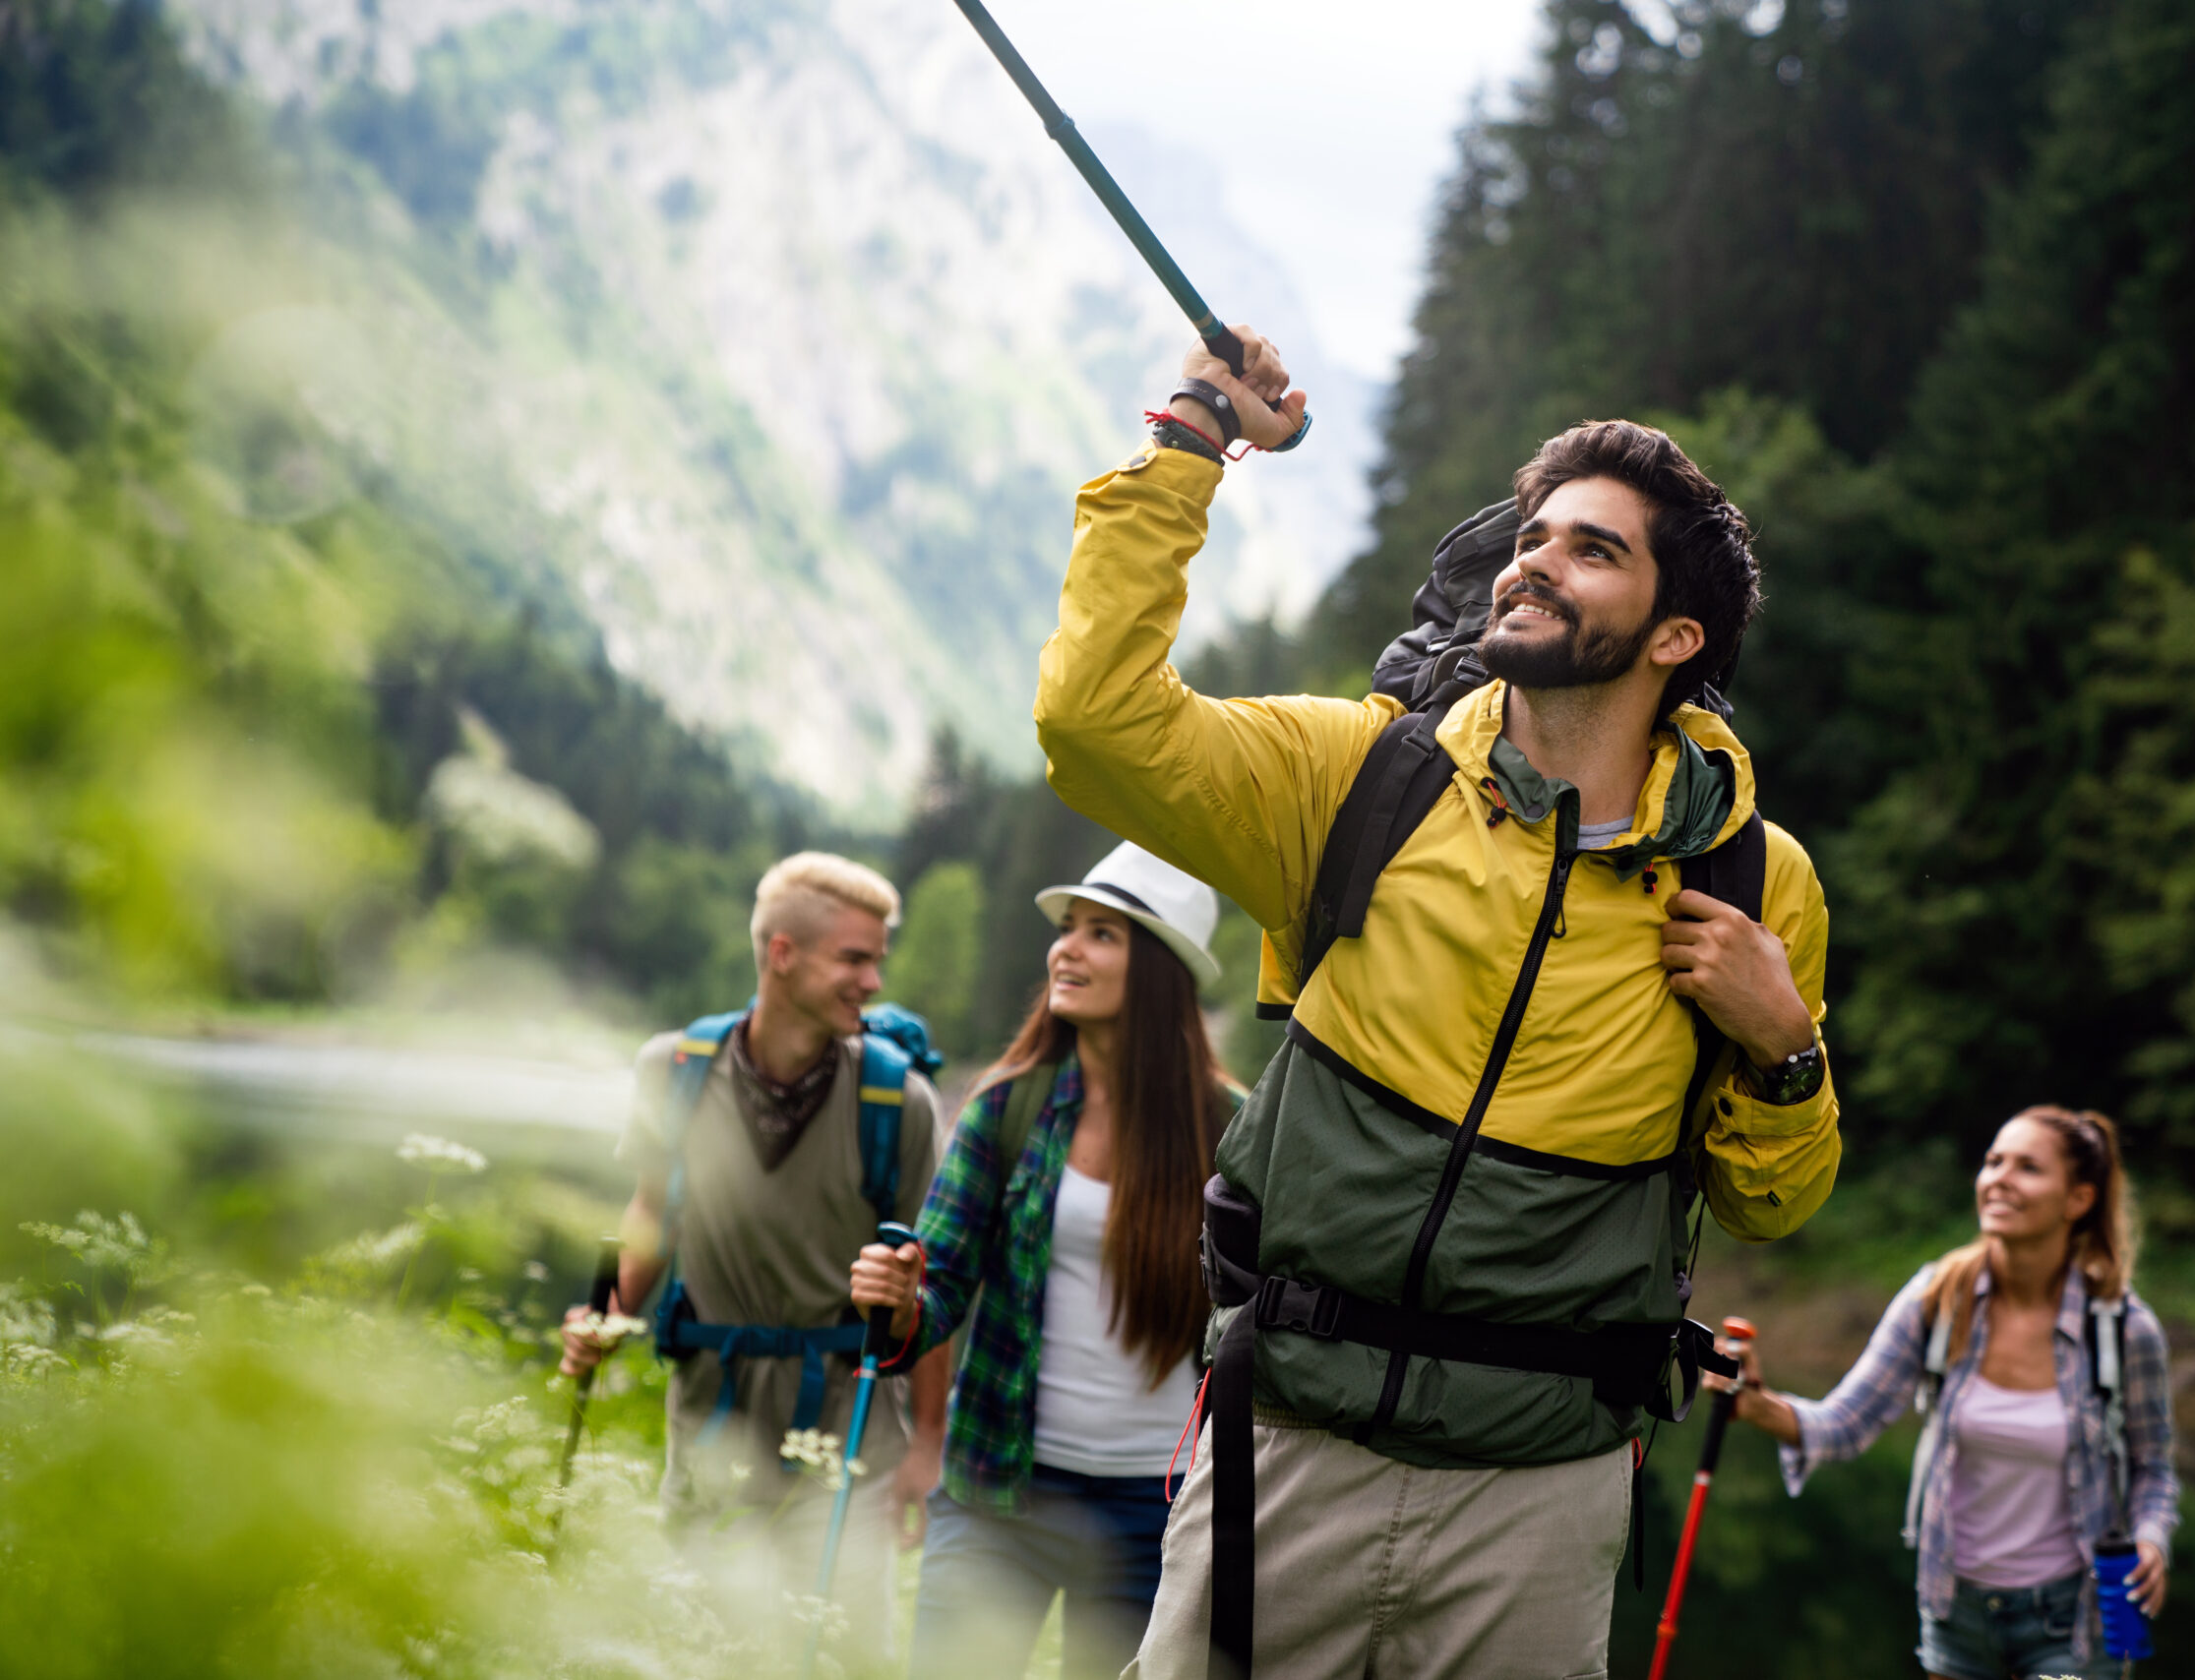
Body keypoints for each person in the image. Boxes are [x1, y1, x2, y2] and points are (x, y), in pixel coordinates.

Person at [1022, 329, 1844, 1677]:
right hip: (1287, 1445)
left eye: (1594, 549)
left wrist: (1785, 1050)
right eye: (1537, 533)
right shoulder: (1358, 777)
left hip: (1542, 1492)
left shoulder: (1758, 882)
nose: (1534, 558)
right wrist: (1190, 440)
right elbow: (1094, 724)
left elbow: (1773, 1201)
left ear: (1675, 636)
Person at [849, 842, 1239, 1679]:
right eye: (1069, 929)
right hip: (997, 1491)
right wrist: (897, 1301)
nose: (1066, 948)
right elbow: (939, 1292)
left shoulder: (1232, 1129)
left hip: (1158, 1511)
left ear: (1163, 968)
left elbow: (1261, 1320)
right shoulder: (1006, 1105)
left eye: (1104, 934)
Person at [560, 852, 951, 1667]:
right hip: (711, 1424)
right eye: (855, 958)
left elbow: (929, 1282)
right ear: (783, 954)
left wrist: (926, 1445)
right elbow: (651, 1211)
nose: (874, 980)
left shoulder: (899, 1104)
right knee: (701, 1654)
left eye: (877, 957)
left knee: (839, 1660)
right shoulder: (673, 1073)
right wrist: (608, 1316)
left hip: (847, 1441)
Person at [1712, 1106, 2179, 1680]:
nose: (1999, 1178)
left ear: (2078, 1200)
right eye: (1993, 1162)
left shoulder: (2124, 1329)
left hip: (2079, 1617)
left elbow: (2153, 1467)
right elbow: (1844, 1423)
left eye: (2027, 1167)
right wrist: (1756, 1404)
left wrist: (2152, 1541)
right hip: (1956, 1610)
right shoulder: (1938, 1299)